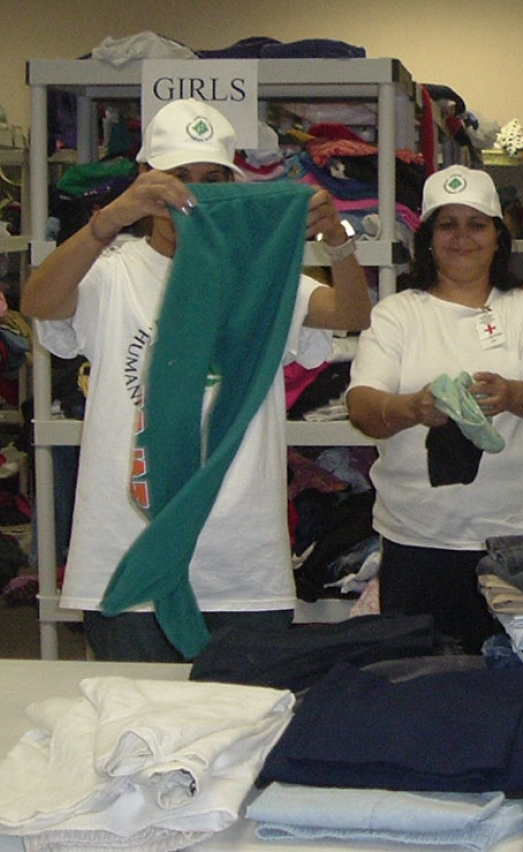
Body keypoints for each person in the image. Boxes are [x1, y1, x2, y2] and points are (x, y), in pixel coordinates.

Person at [22, 98, 372, 662]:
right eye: (176, 178)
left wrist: (338, 240)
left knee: (240, 728)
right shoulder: (114, 270)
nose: (192, 193)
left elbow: (351, 314)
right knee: (133, 725)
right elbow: (39, 301)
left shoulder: (256, 272)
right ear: (144, 181)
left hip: (240, 559)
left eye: (211, 179)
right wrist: (109, 218)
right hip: (128, 545)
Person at [346, 164, 523, 653]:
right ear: (427, 238)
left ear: (498, 237)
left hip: (516, 539)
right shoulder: (397, 314)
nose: (462, 237)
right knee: (417, 681)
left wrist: (513, 394)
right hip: (417, 541)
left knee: (512, 677)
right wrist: (413, 407)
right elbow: (363, 407)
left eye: (477, 223)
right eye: (447, 224)